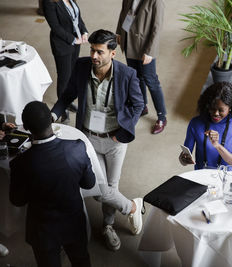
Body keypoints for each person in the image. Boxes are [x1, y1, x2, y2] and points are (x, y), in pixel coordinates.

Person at [51, 29, 145, 251]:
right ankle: (132, 207)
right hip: (89, 138)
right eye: (92, 50)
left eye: (99, 52)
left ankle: (108, 226)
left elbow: (139, 105)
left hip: (115, 140)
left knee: (110, 187)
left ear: (112, 53)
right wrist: (53, 115)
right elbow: (67, 95)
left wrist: (122, 132)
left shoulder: (127, 74)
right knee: (98, 188)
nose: (94, 56)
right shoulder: (82, 66)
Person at [9, 101, 96, 267]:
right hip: (73, 223)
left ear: (26, 128)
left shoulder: (20, 164)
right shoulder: (77, 147)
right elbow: (89, 183)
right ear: (51, 120)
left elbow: (17, 201)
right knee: (81, 260)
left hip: (43, 231)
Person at [116, 0, 167, 134]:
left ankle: (162, 116)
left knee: (151, 80)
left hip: (145, 45)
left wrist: (150, 51)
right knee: (136, 78)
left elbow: (157, 27)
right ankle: (142, 106)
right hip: (129, 42)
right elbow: (124, 13)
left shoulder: (157, 2)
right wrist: (119, 32)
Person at [179, 82, 232, 170]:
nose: (215, 113)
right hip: (201, 175)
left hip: (225, 178)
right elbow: (183, 160)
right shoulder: (196, 123)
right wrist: (183, 159)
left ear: (230, 108)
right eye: (212, 108)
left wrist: (217, 146)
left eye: (221, 110)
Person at [43, 0, 89, 123]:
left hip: (75, 43)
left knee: (72, 74)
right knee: (64, 77)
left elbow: (77, 16)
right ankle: (62, 109)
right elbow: (55, 27)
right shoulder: (49, 2)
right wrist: (73, 39)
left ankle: (68, 101)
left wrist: (84, 31)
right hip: (62, 45)